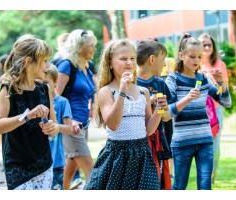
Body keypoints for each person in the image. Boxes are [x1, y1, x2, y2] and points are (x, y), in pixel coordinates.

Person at [83, 39, 167, 190]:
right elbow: (113, 124)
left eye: (132, 58)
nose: (129, 62)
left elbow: (149, 130)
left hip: (142, 155)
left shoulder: (143, 91)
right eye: (123, 59)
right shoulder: (106, 91)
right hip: (117, 156)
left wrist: (159, 110)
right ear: (110, 63)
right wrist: (122, 91)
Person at [165, 33, 231, 190]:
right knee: (180, 186)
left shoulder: (203, 79)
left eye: (199, 57)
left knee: (205, 186)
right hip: (182, 143)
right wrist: (187, 99)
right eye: (192, 56)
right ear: (181, 55)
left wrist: (222, 83)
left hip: (204, 141)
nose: (196, 61)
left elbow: (226, 103)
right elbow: (167, 112)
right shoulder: (172, 80)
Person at [0, 34, 59, 190]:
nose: (48, 66)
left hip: (44, 164)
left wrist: (52, 128)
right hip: (18, 166)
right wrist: (27, 116)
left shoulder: (45, 89)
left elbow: (55, 127)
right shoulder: (8, 89)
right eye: (44, 61)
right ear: (29, 62)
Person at [55, 29, 97, 190]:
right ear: (80, 47)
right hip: (71, 126)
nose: (94, 49)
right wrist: (70, 120)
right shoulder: (67, 65)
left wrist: (93, 105)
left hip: (83, 124)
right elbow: (55, 97)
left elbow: (91, 90)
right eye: (91, 46)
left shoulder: (87, 66)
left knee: (71, 168)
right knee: (92, 172)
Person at [136, 39, 172, 190]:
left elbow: (167, 116)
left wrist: (160, 108)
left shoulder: (161, 84)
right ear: (152, 59)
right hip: (137, 143)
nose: (164, 64)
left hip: (157, 143)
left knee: (157, 181)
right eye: (163, 59)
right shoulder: (130, 84)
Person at [198, 33, 229, 184]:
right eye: (203, 44)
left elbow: (224, 91)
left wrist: (218, 82)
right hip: (198, 110)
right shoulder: (193, 64)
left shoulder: (219, 64)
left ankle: (212, 176)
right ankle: (204, 175)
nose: (206, 47)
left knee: (215, 144)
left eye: (209, 44)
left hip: (215, 110)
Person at [44, 64, 75, 190]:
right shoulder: (36, 102)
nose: (42, 85)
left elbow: (69, 128)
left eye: (46, 82)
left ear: (55, 81)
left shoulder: (62, 102)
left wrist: (54, 126)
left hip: (55, 161)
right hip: (38, 161)